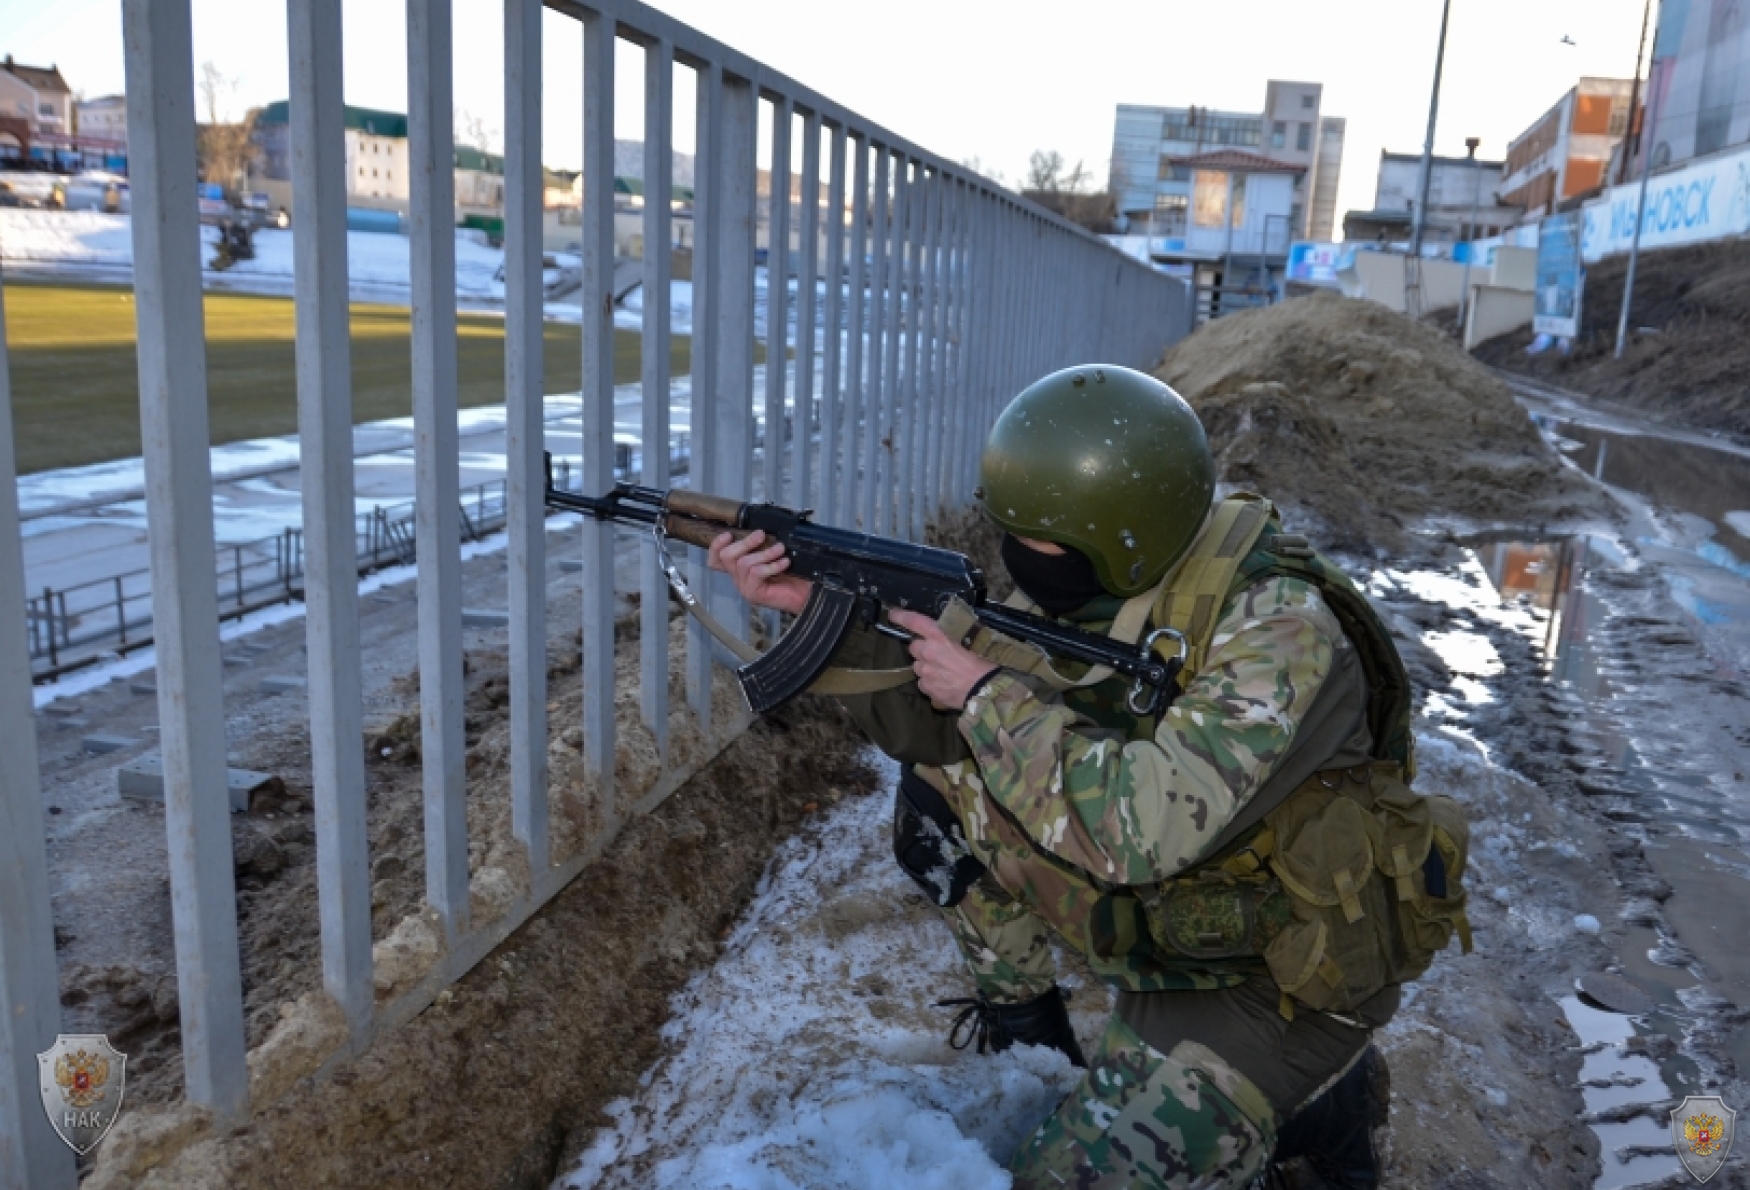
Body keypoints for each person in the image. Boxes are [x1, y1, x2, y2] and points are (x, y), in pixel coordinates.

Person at [708, 364, 1468, 1189]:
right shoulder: (1110, 590)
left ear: (1121, 532)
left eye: (1035, 542)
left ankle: (1322, 1099)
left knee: (1067, 1180)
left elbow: (1133, 831)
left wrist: (986, 694)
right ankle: (1038, 1053)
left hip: (1273, 979)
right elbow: (946, 727)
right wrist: (823, 613)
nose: (1014, 559)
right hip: (1180, 917)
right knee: (940, 794)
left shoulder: (1280, 632)